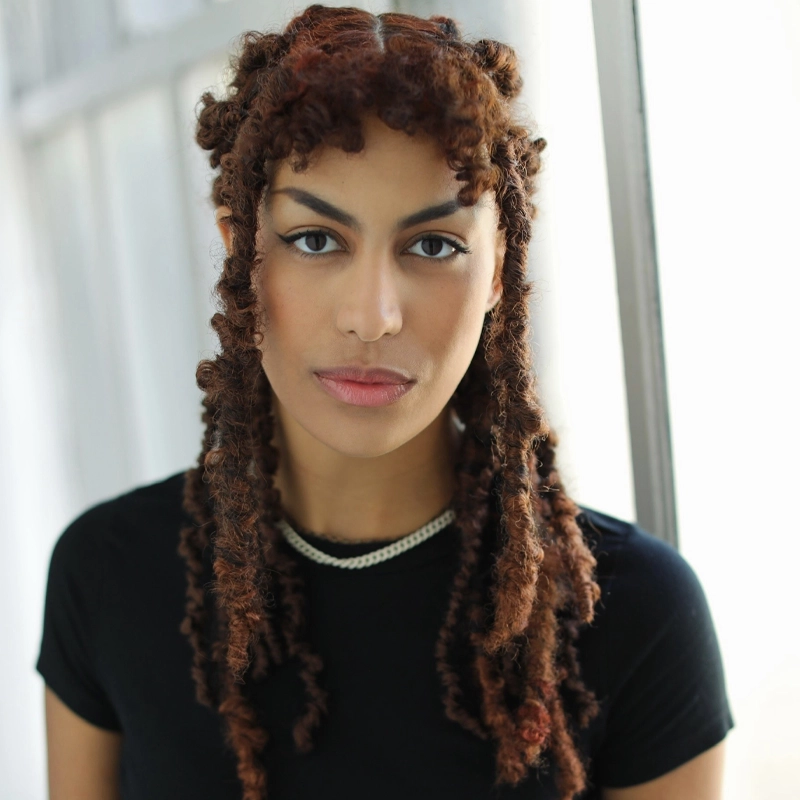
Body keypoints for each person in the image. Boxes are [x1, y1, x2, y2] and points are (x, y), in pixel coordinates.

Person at [36, 5, 734, 799]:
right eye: (315, 239)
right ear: (240, 251)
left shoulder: (637, 619)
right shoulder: (107, 578)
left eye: (433, 246)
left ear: (499, 273)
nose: (372, 315)